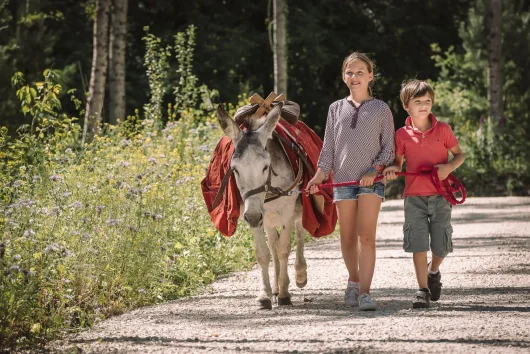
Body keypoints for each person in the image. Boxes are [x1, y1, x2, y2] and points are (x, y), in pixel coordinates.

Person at [306, 52, 395, 311]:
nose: (354, 77)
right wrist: (318, 176)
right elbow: (329, 150)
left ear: (370, 76)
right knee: (346, 239)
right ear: (344, 76)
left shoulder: (381, 108)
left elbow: (388, 148)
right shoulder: (336, 108)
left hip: (371, 182)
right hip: (343, 181)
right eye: (349, 72)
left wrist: (375, 169)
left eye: (359, 72)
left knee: (366, 236)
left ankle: (366, 293)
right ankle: (353, 281)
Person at [383, 79, 465, 309]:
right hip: (414, 198)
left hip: (441, 196)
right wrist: (392, 170)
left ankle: (433, 270)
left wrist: (448, 168)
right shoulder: (401, 134)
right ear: (406, 106)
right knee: (418, 244)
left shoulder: (444, 129)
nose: (423, 106)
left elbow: (459, 155)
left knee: (441, 246)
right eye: (417, 102)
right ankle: (422, 290)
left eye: (427, 101)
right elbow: (398, 164)